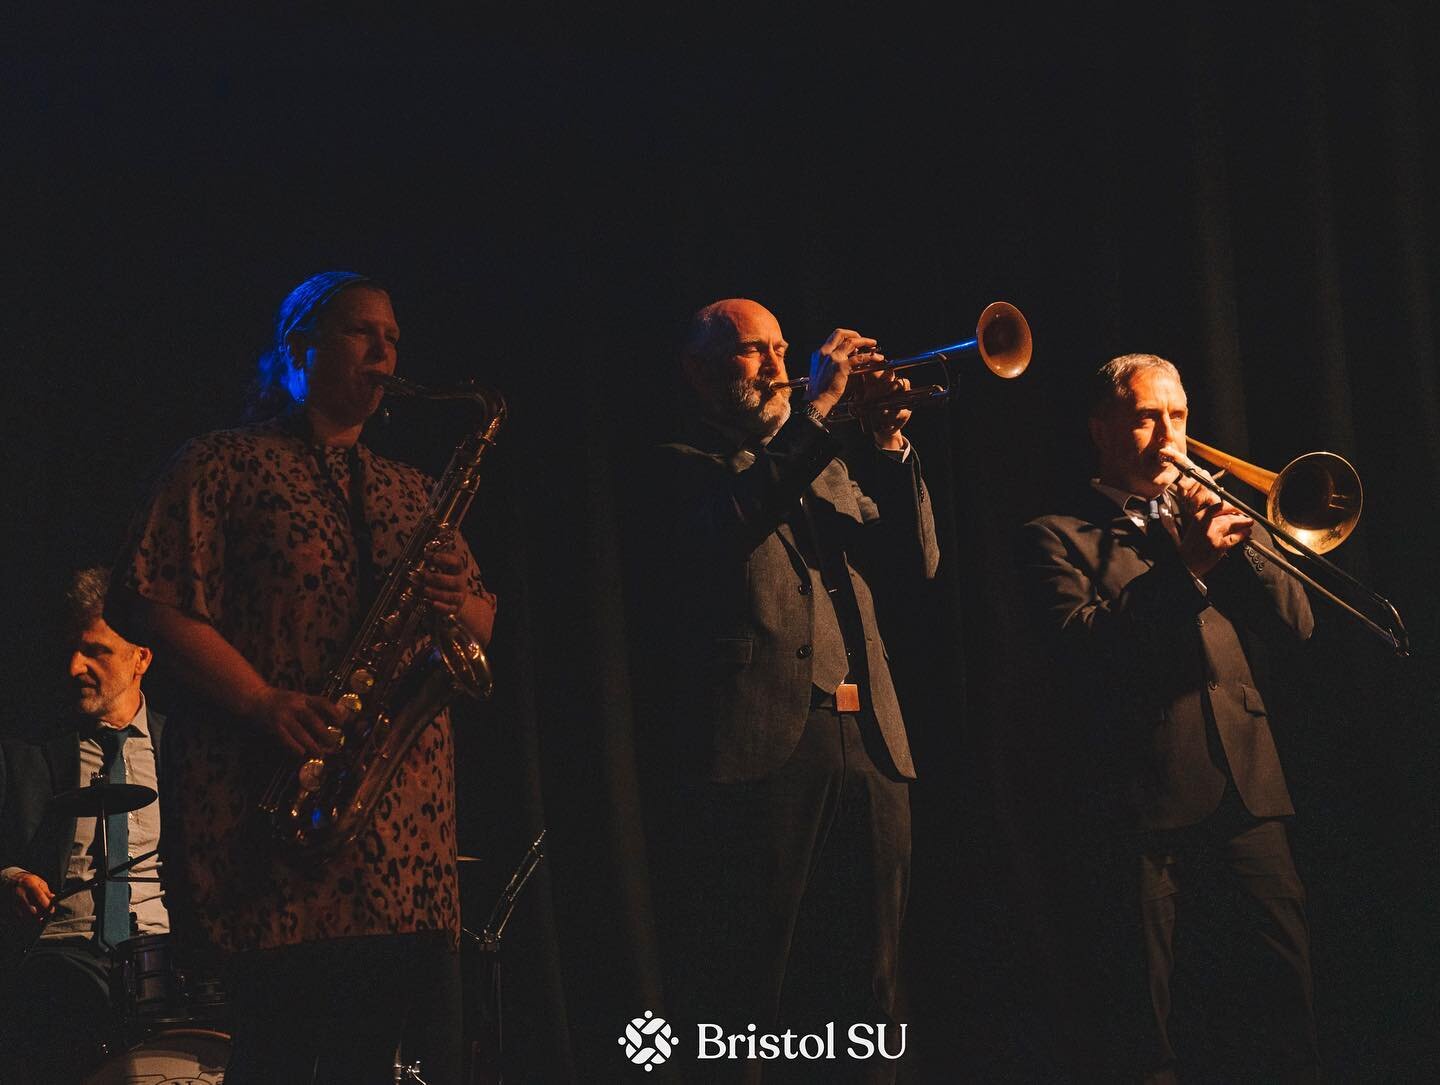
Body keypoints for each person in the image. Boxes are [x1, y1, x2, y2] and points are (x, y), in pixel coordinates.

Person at [110, 270, 497, 1085]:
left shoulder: (414, 489)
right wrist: (261, 700)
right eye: (363, 332)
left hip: (403, 833)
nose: (385, 351)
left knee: (371, 1060)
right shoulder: (222, 462)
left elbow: (484, 627)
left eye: (393, 336)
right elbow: (152, 599)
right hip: (274, 813)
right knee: (278, 1056)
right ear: (298, 349)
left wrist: (459, 597)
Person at [639, 298, 938, 1082]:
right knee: (747, 1000)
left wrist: (888, 440)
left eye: (780, 348)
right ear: (697, 372)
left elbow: (915, 566)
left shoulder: (825, 461)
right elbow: (734, 520)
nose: (776, 365)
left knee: (868, 994)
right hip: (764, 745)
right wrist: (819, 408)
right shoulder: (680, 458)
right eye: (751, 352)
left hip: (869, 744)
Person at [1019, 354, 1319, 1083]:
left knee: (1288, 999)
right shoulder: (1056, 533)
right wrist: (1184, 569)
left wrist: (1243, 549)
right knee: (1141, 1024)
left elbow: (1299, 623)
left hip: (1248, 787)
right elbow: (1081, 650)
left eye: (1178, 416)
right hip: (1141, 798)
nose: (1168, 435)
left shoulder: (1208, 510)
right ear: (1102, 429)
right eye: (1147, 417)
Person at [0, 566, 165, 1085]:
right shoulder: (26, 750)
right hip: (57, 951)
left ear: (141, 658)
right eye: (71, 649)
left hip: (164, 954)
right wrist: (9, 879)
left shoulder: (181, 748)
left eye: (96, 651)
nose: (74, 666)